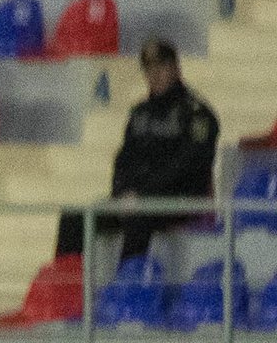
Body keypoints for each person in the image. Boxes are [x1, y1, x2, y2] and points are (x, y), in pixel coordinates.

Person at [54, 39, 219, 265]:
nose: (155, 74)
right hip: (135, 199)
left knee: (139, 218)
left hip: (178, 200)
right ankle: (66, 281)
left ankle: (126, 282)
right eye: (149, 68)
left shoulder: (197, 115)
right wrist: (121, 192)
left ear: (175, 68)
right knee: (74, 218)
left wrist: (143, 194)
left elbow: (187, 167)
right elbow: (124, 159)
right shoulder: (139, 113)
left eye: (161, 66)